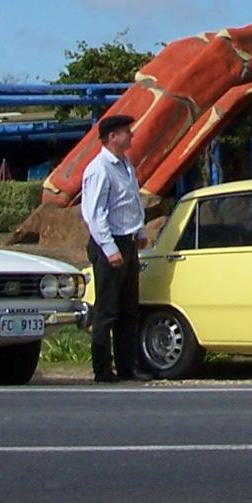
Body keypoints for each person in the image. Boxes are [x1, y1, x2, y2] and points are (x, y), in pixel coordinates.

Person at [80, 113, 148, 382]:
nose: (131, 135)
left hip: (128, 240)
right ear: (112, 137)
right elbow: (94, 214)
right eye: (126, 132)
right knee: (107, 309)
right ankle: (103, 369)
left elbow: (130, 201)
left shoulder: (125, 164)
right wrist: (110, 248)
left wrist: (140, 231)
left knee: (128, 307)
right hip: (109, 242)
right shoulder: (99, 169)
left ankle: (126, 366)